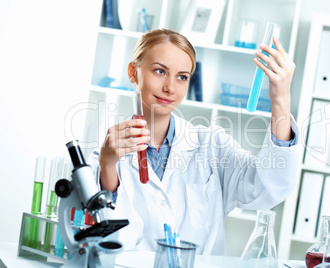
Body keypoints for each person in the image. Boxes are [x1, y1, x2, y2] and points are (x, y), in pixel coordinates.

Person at [88, 28, 299, 255]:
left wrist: (281, 101)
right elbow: (108, 240)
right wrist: (108, 166)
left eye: (182, 77)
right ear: (133, 72)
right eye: (160, 71)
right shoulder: (104, 156)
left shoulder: (211, 145)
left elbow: (269, 188)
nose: (170, 87)